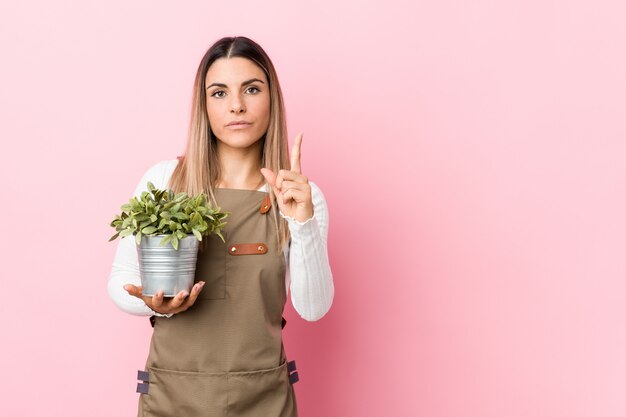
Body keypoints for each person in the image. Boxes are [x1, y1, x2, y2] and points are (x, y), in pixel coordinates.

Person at [107, 36, 334, 417]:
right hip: (173, 399)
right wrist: (156, 303)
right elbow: (120, 281)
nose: (237, 106)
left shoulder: (298, 196)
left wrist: (303, 222)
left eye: (251, 89)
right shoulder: (165, 180)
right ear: (204, 107)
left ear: (271, 99)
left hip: (263, 399)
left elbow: (312, 308)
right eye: (219, 93)